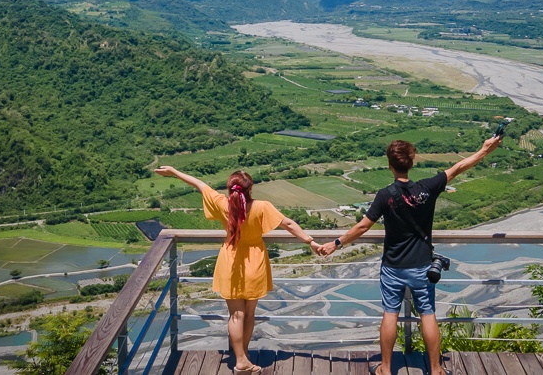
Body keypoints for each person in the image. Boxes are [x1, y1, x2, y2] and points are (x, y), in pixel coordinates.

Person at [319, 134, 503, 375]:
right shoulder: (427, 188)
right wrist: (485, 150)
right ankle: (436, 369)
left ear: (389, 165)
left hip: (393, 265)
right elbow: (458, 167)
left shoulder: (385, 195)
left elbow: (363, 226)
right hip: (422, 266)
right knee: (428, 314)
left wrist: (336, 243)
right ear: (412, 162)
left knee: (390, 314)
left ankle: (385, 368)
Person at [154, 166, 321, 375]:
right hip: (255, 261)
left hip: (230, 261)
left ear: (229, 188)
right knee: (249, 313)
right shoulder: (262, 207)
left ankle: (240, 358)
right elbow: (287, 223)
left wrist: (174, 171)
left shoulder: (222, 204)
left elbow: (198, 183)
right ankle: (243, 357)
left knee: (235, 314)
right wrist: (310, 241)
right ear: (250, 189)